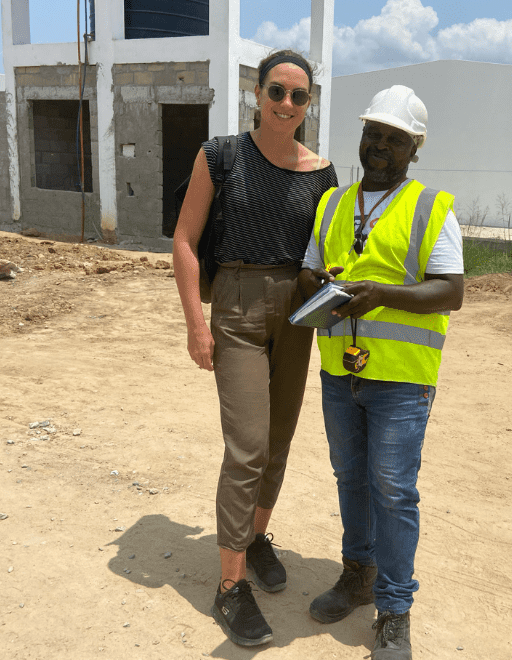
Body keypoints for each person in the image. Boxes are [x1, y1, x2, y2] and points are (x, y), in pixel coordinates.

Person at [172, 50, 338, 647]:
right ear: (257, 93)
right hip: (238, 307)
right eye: (276, 91)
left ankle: (256, 534)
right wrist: (197, 323)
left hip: (297, 314)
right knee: (247, 447)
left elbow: (325, 254)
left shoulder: (323, 173)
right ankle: (229, 586)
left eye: (298, 96)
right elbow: (186, 240)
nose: (286, 105)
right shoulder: (221, 155)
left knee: (280, 442)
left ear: (309, 103)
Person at [299, 85, 464, 659]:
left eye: (395, 139)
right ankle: (358, 575)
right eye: (374, 133)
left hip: (401, 378)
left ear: (414, 148)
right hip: (339, 371)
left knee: (392, 490)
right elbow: (307, 273)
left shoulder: (432, 207)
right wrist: (321, 287)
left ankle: (394, 609)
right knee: (350, 479)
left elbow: (451, 291)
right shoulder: (333, 204)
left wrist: (381, 296)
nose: (380, 146)